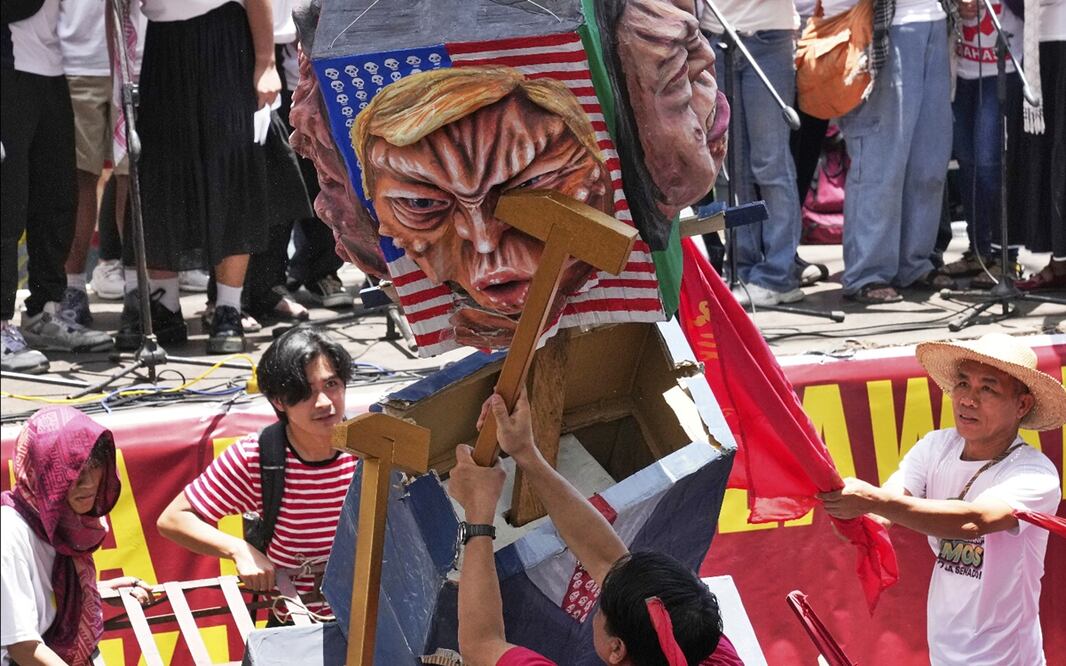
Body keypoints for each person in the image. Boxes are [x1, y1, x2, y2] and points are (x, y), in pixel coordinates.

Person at [448, 388, 741, 665]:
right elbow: (606, 559)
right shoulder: (698, 648)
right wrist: (525, 452)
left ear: (616, 649)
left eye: (603, 605)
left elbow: (480, 645)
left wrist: (478, 511)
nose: (603, 582)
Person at [820, 333, 1065, 665]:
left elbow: (973, 521)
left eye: (987, 389)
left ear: (1022, 405)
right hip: (944, 654)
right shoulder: (935, 447)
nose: (967, 399)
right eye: (963, 384)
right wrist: (842, 505)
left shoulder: (1036, 474)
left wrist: (870, 501)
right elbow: (876, 519)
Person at [157, 326, 356, 620]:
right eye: (306, 392)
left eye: (332, 385)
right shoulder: (260, 456)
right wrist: (239, 550)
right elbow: (173, 519)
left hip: (380, 621)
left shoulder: (372, 444)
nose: (325, 403)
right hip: (299, 625)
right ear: (278, 401)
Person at [116, 0, 279, 354]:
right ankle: (165, 305)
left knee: (229, 168)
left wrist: (266, 63)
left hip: (224, 36)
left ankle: (228, 308)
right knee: (161, 173)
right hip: (162, 43)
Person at [2, 0, 112, 375]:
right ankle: (1, 325)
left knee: (57, 198)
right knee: (6, 205)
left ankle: (44, 312)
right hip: (9, 69)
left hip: (51, 70)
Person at [828, 0, 957, 304]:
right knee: (880, 161)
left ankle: (915, 263)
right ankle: (867, 273)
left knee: (929, 162)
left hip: (935, 23)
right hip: (884, 31)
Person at [1, 406, 153, 666]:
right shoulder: (9, 535)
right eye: (71, 469)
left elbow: (38, 601)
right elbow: (24, 648)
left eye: (94, 464)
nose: (88, 482)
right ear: (40, 471)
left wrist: (91, 592)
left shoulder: (61, 522)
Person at [701, 0, 806, 307]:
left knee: (770, 162)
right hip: (715, 38)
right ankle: (741, 270)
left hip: (768, 37)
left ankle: (778, 275)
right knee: (731, 166)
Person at [942, 0, 1025, 289]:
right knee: (968, 163)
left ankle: (1006, 255)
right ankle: (979, 250)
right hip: (962, 73)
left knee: (991, 164)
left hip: (1003, 72)